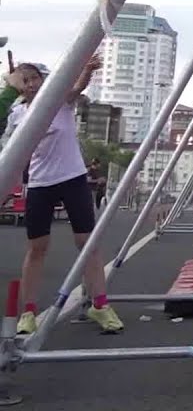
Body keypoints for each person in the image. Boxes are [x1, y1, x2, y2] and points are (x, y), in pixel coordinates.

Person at [7, 58, 124, 335]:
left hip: (73, 179)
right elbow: (11, 149)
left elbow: (77, 87)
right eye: (25, 79)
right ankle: (28, 312)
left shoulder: (59, 102)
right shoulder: (17, 114)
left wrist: (87, 69)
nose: (31, 84)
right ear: (18, 85)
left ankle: (100, 305)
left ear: (44, 80)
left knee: (87, 243)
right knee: (37, 248)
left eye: (35, 78)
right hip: (40, 184)